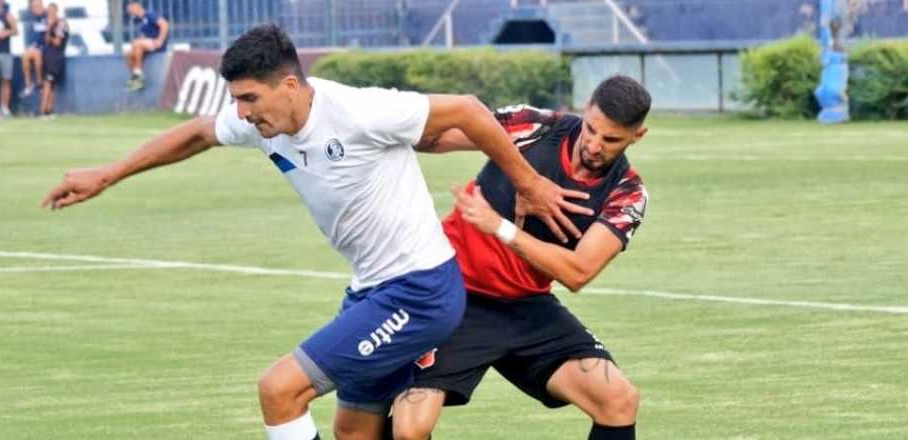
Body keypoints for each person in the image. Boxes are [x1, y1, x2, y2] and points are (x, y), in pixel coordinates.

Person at [41, 24, 587, 440]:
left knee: (279, 390)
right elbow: (197, 134)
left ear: (290, 85)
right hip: (370, 291)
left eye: (250, 98)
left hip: (420, 290)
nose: (241, 112)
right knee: (353, 432)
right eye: (235, 99)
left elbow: (468, 111)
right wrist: (107, 174)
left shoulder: (359, 111)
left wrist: (531, 184)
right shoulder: (260, 121)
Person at [390, 75, 651, 440]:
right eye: (591, 129)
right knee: (409, 428)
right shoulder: (533, 127)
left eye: (611, 140)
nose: (593, 145)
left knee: (619, 400)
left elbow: (578, 273)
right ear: (586, 108)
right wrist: (383, 119)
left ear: (637, 136)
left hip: (527, 308)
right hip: (451, 295)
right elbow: (433, 138)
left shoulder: (627, 193)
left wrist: (500, 226)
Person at [124, 1, 169, 91]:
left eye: (131, 10)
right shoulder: (142, 22)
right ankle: (137, 78)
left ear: (136, 7)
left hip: (157, 44)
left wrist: (160, 40)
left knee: (137, 43)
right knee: (128, 54)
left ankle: (138, 77)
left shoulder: (150, 14)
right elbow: (143, 38)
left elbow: (164, 25)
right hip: (148, 45)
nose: (131, 13)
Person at [39, 3, 68, 119]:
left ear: (57, 11)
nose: (50, 13)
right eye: (49, 11)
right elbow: (46, 40)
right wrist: (49, 29)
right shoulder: (48, 24)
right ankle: (49, 111)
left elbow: (57, 42)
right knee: (50, 84)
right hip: (48, 56)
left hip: (56, 57)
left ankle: (43, 110)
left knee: (48, 82)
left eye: (52, 11)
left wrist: (50, 29)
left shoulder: (61, 24)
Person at [20, 0, 46, 98]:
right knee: (25, 56)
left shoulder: (47, 16)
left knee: (37, 54)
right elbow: (29, 39)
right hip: (34, 47)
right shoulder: (29, 19)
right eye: (34, 6)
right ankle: (29, 84)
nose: (37, 8)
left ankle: (39, 82)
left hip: (46, 47)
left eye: (39, 5)